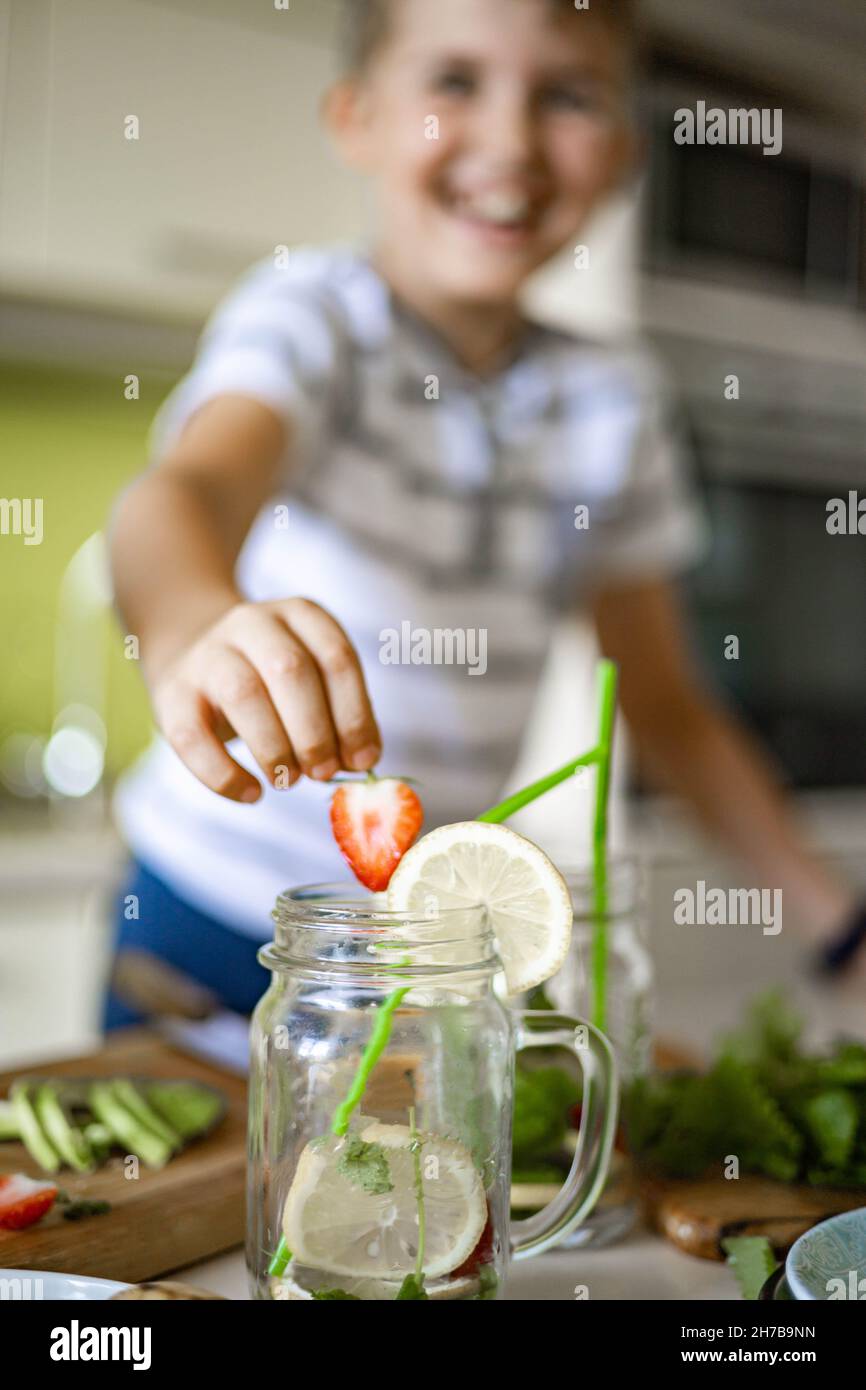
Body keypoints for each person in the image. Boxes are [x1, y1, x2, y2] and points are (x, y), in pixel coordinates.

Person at [107, 0, 863, 1026]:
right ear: (357, 118)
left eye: (564, 95)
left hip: (427, 941)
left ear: (622, 156)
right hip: (203, 913)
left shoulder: (612, 400)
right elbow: (178, 498)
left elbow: (666, 706)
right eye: (454, 81)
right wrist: (194, 629)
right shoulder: (310, 318)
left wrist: (839, 923)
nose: (508, 141)